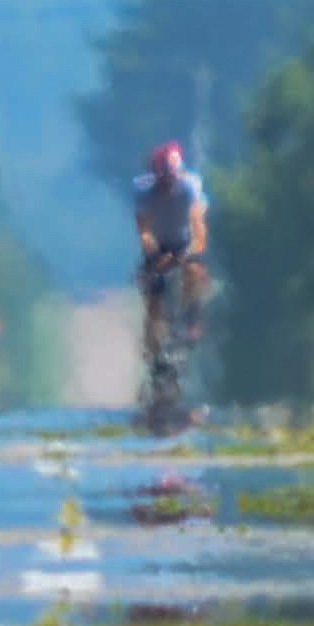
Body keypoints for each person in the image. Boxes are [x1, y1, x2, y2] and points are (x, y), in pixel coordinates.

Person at [131, 139, 209, 430]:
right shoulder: (142, 190)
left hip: (185, 243)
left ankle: (192, 317)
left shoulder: (190, 187)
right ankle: (153, 345)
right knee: (152, 290)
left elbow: (199, 227)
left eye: (171, 182)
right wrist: (153, 253)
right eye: (163, 183)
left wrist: (190, 254)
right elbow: (144, 230)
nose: (167, 188)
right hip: (160, 246)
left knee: (194, 275)